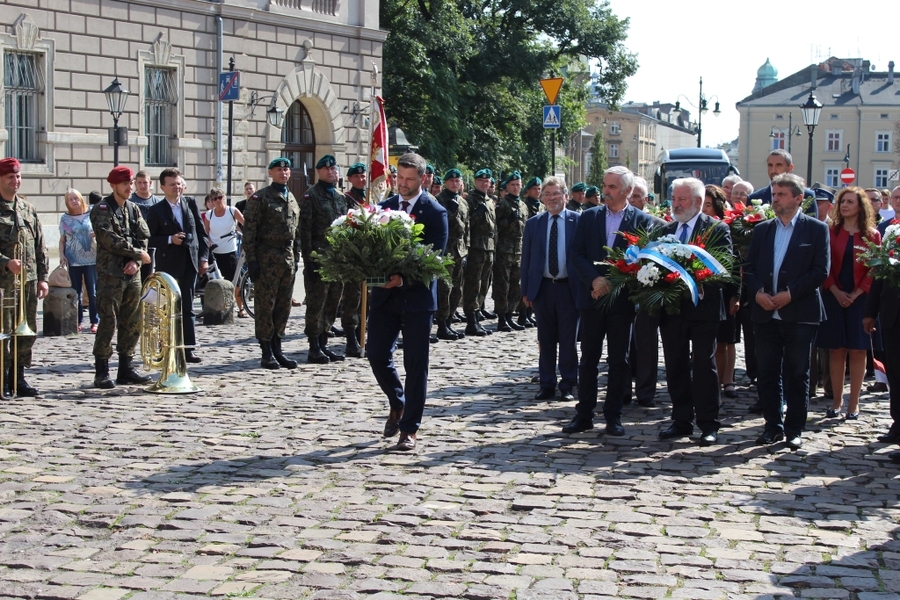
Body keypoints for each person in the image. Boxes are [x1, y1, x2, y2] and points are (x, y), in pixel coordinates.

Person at [563, 166, 656, 436]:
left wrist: (613, 283)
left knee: (619, 360)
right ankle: (584, 414)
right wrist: (594, 280)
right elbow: (576, 254)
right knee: (588, 358)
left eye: (613, 187)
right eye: (605, 185)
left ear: (627, 191)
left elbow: (642, 260)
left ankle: (613, 415)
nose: (606, 191)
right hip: (591, 299)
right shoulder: (589, 217)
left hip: (622, 302)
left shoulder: (640, 220)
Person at [368, 152, 448, 452]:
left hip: (417, 298)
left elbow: (434, 259)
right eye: (399, 178)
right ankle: (398, 402)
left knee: (416, 364)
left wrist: (403, 279)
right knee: (376, 354)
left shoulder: (435, 211)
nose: (402, 184)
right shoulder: (384, 208)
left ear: (423, 179)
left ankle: (409, 428)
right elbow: (373, 249)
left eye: (409, 180)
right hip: (385, 297)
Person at [745, 173, 829, 450]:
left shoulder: (816, 230)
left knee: (797, 372)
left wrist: (790, 293)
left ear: (798, 198)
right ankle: (772, 425)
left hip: (800, 312)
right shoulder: (762, 229)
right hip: (766, 312)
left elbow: (820, 271)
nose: (775, 199)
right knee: (767, 371)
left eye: (781, 194)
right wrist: (758, 293)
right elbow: (750, 268)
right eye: (774, 193)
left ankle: (794, 428)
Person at [656, 178, 733, 446]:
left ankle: (709, 423)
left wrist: (690, 280)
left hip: (704, 310)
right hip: (672, 310)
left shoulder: (716, 229)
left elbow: (723, 271)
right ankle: (681, 420)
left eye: (682, 199)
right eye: (674, 199)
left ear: (698, 202)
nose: (676, 204)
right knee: (675, 365)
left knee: (703, 366)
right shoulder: (665, 229)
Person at [817, 187, 880, 420]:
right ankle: (836, 401)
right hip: (833, 295)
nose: (844, 205)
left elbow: (874, 268)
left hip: (860, 298)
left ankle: (854, 404)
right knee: (836, 349)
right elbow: (825, 264)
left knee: (857, 350)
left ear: (859, 206)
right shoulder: (830, 231)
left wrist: (855, 294)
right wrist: (834, 290)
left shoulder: (871, 234)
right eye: (842, 201)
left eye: (850, 202)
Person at [521, 177, 585, 402]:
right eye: (546, 194)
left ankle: (567, 383)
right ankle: (546, 383)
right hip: (543, 289)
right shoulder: (534, 223)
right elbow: (526, 260)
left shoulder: (579, 221)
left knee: (568, 340)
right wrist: (526, 290)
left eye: (556, 193)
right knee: (545, 338)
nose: (551, 198)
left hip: (569, 289)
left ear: (566, 196)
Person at [90, 165, 153, 389]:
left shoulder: (133, 209)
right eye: (125, 183)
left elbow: (143, 236)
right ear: (113, 185)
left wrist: (135, 261)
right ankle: (102, 371)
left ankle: (126, 368)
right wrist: (137, 254)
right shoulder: (102, 209)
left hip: (131, 274)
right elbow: (109, 239)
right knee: (108, 320)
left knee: (132, 321)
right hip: (110, 275)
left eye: (130, 183)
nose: (129, 187)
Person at [244, 157, 303, 369]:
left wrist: (296, 256)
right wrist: (252, 260)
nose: (283, 173)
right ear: (270, 173)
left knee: (283, 305)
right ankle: (266, 350)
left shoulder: (292, 198)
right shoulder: (261, 198)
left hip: (286, 258)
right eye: (278, 169)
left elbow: (296, 231)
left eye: (286, 169)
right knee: (265, 306)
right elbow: (249, 231)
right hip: (266, 257)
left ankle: (278, 346)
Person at [147, 168, 209, 364]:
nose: (177, 188)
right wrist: (169, 239)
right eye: (172, 184)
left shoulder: (190, 203)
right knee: (168, 309)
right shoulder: (156, 210)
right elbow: (149, 239)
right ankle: (166, 347)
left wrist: (204, 258)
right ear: (163, 187)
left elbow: (201, 234)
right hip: (169, 265)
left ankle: (188, 348)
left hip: (190, 262)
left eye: (179, 183)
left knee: (188, 308)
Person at [0, 158, 49, 396]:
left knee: (26, 331)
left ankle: (18, 377)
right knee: (3, 333)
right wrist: (6, 262)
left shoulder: (27, 208)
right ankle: (2, 377)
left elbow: (40, 245)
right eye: (10, 177)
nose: (15, 181)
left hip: (28, 283)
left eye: (18, 177)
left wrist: (43, 277)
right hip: (3, 285)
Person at [299, 155, 347, 362]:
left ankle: (324, 342)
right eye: (326, 169)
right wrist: (309, 260)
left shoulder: (340, 197)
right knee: (316, 303)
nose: (331, 172)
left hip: (337, 259)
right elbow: (305, 231)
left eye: (333, 169)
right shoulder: (311, 196)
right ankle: (313, 346)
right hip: (319, 259)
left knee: (332, 302)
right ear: (318, 172)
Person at [703, 185, 741, 400]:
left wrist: (736, 294)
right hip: (700, 290)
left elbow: (736, 266)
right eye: (702, 204)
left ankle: (725, 381)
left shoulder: (727, 227)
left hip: (724, 291)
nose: (705, 209)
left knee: (725, 341)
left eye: (709, 205)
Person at [435, 168, 469, 340]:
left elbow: (467, 228)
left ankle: (449, 321)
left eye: (458, 181)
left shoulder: (463, 202)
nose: (455, 184)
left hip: (460, 250)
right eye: (451, 181)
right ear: (446, 183)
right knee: (444, 289)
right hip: (446, 249)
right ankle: (441, 324)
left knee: (457, 289)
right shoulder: (439, 200)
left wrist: (466, 250)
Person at [492, 171, 528, 331]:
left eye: (518, 185)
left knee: (516, 285)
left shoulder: (523, 205)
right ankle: (501, 316)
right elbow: (495, 227)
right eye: (512, 185)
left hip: (518, 251)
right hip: (504, 250)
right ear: (507, 187)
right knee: (503, 285)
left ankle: (509, 314)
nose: (515, 187)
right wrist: (509, 220)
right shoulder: (503, 204)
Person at [59, 189, 98, 333]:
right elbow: (62, 240)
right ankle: (78, 320)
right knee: (76, 292)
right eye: (71, 199)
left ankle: (95, 320)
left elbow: (101, 230)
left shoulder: (91, 214)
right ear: (67, 202)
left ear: (81, 199)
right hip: (73, 260)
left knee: (93, 292)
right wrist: (61, 255)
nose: (74, 201)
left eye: (76, 198)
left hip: (91, 259)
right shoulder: (65, 218)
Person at [203, 187, 246, 317]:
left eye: (220, 197)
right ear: (211, 201)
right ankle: (215, 308)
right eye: (215, 199)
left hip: (230, 251)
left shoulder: (232, 211)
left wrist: (245, 236)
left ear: (224, 198)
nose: (218, 201)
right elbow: (206, 232)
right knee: (214, 281)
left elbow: (246, 223)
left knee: (235, 282)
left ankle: (241, 308)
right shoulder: (209, 214)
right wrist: (209, 242)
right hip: (215, 252)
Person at [463, 168, 496, 336]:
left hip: (489, 247)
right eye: (481, 181)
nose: (484, 183)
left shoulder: (490, 201)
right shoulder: (470, 200)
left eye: (487, 181)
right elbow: (466, 224)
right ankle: (471, 320)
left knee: (484, 283)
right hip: (475, 247)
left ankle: (477, 315)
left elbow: (494, 227)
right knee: (473, 284)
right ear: (476, 182)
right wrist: (477, 214)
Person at [338, 162, 367, 357]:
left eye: (363, 176)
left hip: (369, 257)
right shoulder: (346, 200)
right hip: (352, 256)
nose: (361, 179)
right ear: (349, 179)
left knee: (368, 299)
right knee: (352, 298)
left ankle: (362, 336)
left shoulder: (372, 196)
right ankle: (351, 339)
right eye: (356, 177)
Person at [748, 150, 816, 215]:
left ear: (790, 168)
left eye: (779, 165)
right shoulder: (754, 198)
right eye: (770, 165)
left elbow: (813, 225)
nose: (773, 170)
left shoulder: (807, 196)